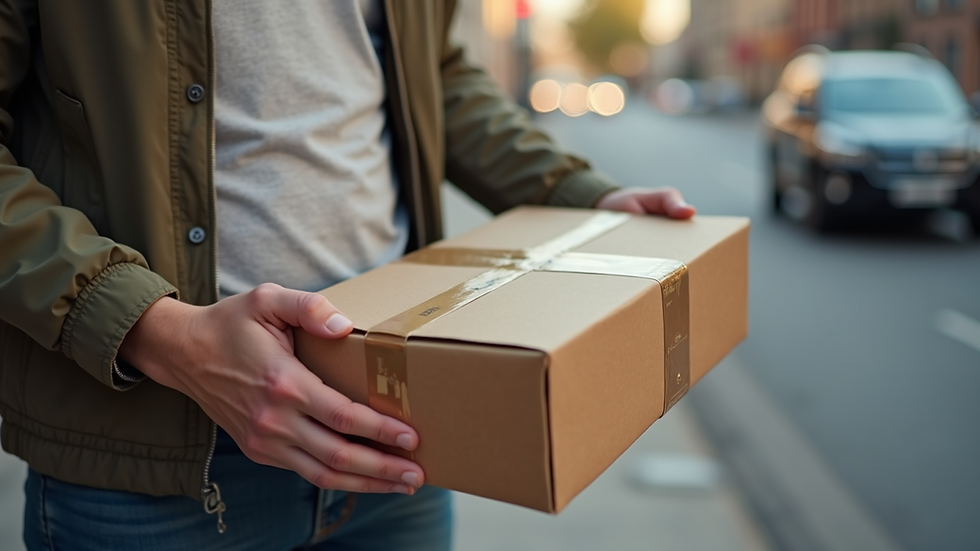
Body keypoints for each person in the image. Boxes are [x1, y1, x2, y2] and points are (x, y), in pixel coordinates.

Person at [0, 1, 695, 549]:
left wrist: (578, 192)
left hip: (399, 421)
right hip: (156, 463)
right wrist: (155, 330)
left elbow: (434, 74)